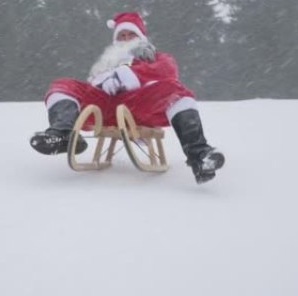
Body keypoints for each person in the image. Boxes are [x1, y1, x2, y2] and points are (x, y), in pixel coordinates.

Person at [30, 12, 225, 184]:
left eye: (131, 35)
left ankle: (199, 155)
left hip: (137, 107)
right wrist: (101, 80)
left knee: (175, 91)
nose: (126, 39)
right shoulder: (107, 62)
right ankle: (62, 134)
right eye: (121, 36)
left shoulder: (155, 57)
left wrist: (127, 75)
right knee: (64, 84)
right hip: (103, 109)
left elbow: (168, 72)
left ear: (141, 37)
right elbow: (91, 84)